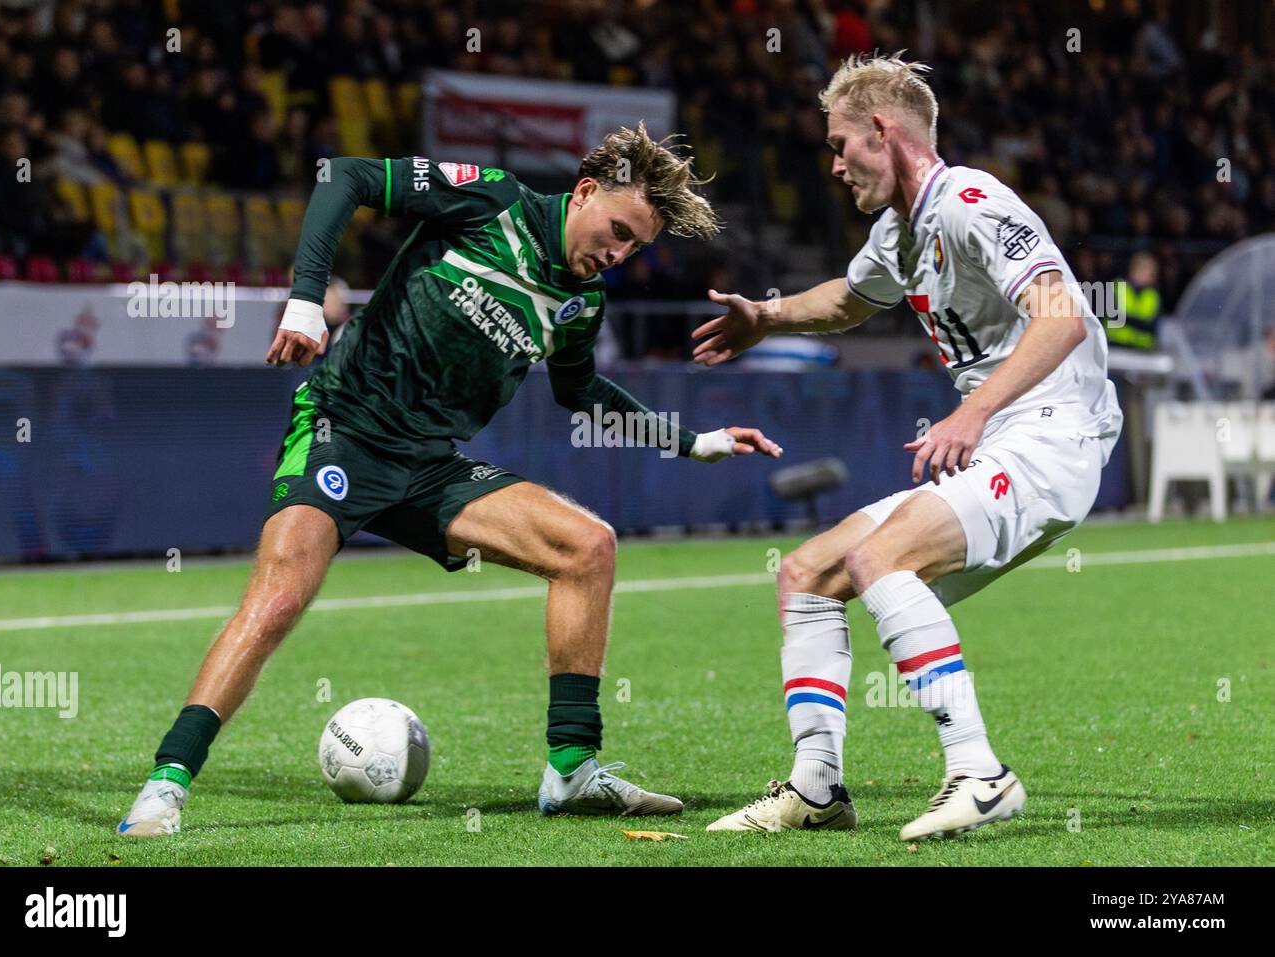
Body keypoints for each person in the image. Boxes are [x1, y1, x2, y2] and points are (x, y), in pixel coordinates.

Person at [118, 123, 782, 836]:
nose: (617, 254)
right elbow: (346, 175)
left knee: (589, 547)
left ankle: (572, 770)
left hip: (430, 462)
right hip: (345, 427)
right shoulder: (491, 202)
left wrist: (695, 443)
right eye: (617, 230)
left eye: (634, 248)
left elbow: (581, 391)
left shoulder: (581, 303)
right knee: (278, 597)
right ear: (585, 192)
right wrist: (307, 297)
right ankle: (167, 782)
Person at [695, 53, 1122, 840]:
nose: (833, 165)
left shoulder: (969, 202)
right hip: (1005, 438)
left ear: (882, 132)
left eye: (839, 144)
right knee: (808, 573)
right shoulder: (901, 230)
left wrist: (971, 415)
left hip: (1053, 435)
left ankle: (980, 772)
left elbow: (1062, 316)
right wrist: (768, 313)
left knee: (877, 559)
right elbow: (850, 300)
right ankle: (816, 788)